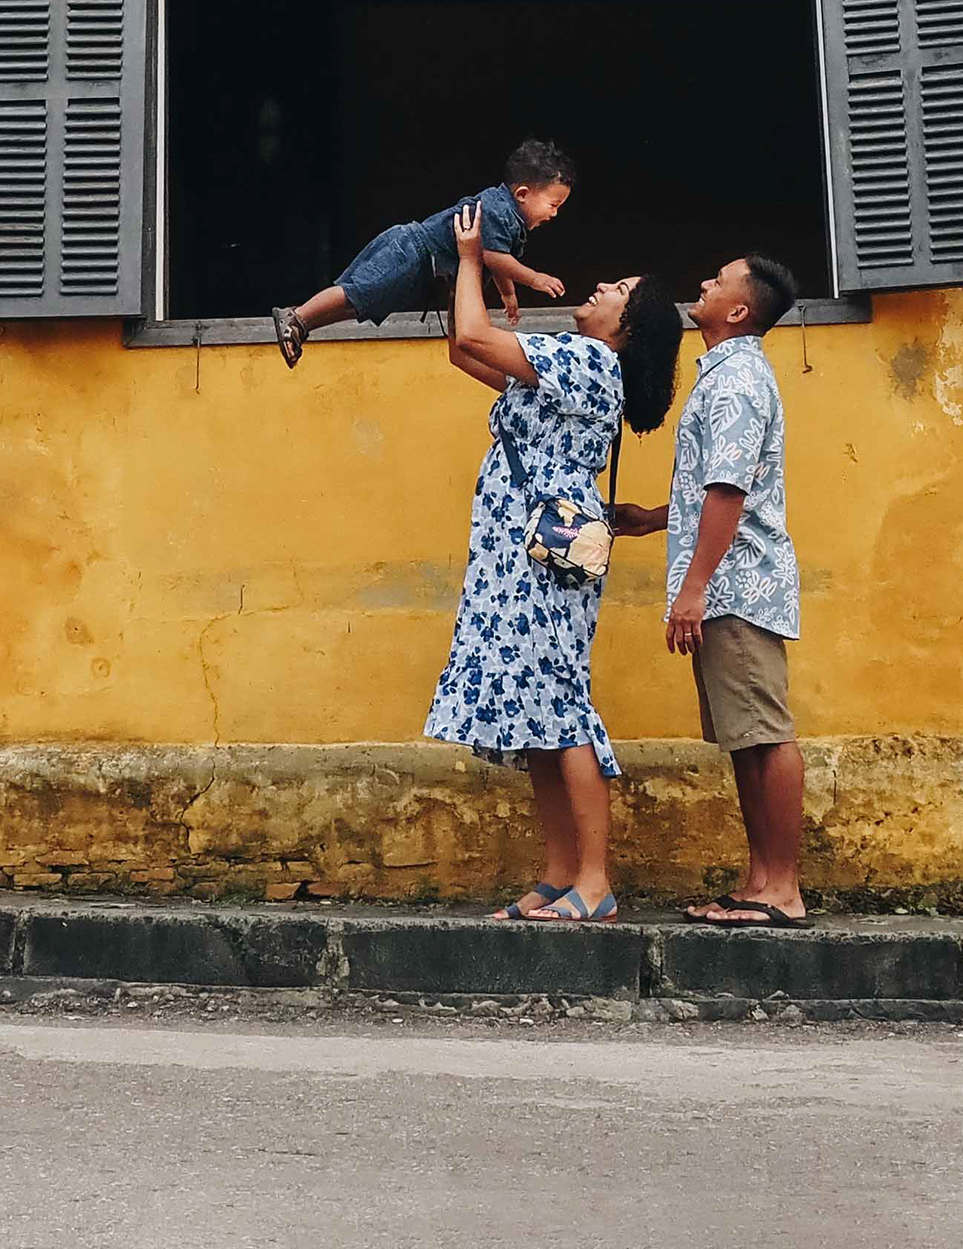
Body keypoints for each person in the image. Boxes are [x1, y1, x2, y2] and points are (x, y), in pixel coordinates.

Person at [421, 197, 682, 921]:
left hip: (541, 557)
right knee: (536, 710)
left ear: (627, 328)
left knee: (561, 706)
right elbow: (462, 347)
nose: (601, 289)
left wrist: (475, 258)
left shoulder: (591, 360)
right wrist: (452, 271)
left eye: (620, 292)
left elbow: (475, 333)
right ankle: (559, 873)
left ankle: (594, 883)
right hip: (521, 554)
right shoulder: (572, 368)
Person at [614, 251, 808, 925]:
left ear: (738, 310)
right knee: (745, 741)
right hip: (729, 584)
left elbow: (729, 490)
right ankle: (759, 884)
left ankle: (781, 889)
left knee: (766, 737)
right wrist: (654, 520)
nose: (702, 282)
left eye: (718, 281)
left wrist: (692, 590)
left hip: (736, 589)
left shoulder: (734, 383)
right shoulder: (730, 377)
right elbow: (721, 488)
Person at [273, 138, 575, 365]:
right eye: (554, 205)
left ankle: (304, 325)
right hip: (411, 251)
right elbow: (494, 257)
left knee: (362, 305)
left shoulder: (510, 220)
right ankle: (297, 316)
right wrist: (534, 279)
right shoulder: (497, 211)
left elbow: (498, 258)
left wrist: (508, 295)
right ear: (522, 194)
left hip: (422, 266)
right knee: (356, 293)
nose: (555, 214)